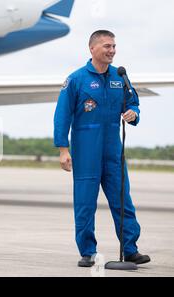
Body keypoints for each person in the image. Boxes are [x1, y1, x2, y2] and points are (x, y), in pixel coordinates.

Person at [53, 30, 151, 267]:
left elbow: (134, 103)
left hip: (113, 152)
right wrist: (63, 149)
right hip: (86, 151)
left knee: (122, 200)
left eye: (114, 46)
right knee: (85, 203)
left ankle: (130, 249)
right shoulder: (76, 80)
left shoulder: (120, 78)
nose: (112, 51)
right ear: (92, 49)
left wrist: (133, 113)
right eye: (107, 46)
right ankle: (88, 252)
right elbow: (61, 116)